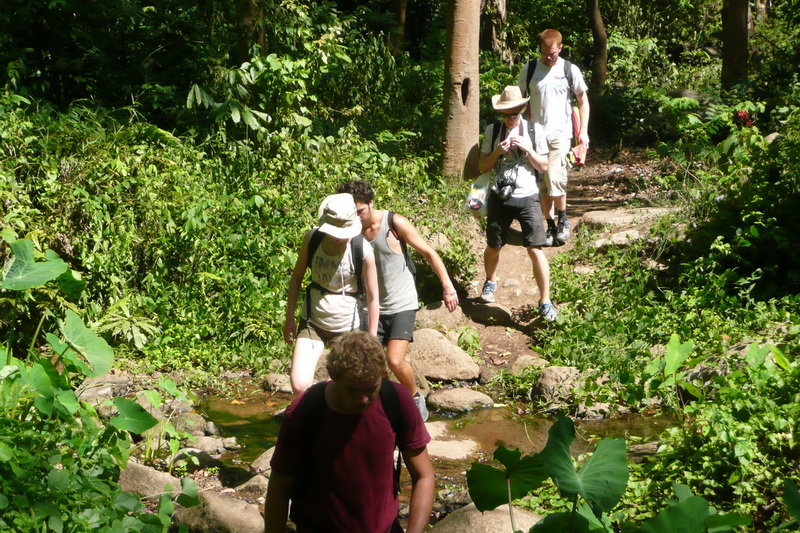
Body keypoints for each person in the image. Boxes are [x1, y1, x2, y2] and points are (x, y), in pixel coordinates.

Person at [265, 330, 435, 533]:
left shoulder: (396, 400)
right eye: (353, 390)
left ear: (382, 375)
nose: (364, 399)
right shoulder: (305, 410)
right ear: (332, 374)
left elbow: (424, 476)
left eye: (371, 388)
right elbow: (280, 485)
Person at [337, 180, 458, 421]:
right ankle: (385, 404)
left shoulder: (394, 223)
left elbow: (428, 252)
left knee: (393, 359)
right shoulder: (349, 230)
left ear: (371, 203)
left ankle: (414, 398)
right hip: (370, 307)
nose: (358, 217)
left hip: (402, 302)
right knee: (371, 363)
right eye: (353, 213)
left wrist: (447, 286)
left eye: (361, 210)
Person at [283, 193, 380, 395]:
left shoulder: (362, 249)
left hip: (349, 328)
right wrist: (289, 319)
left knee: (347, 386)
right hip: (313, 321)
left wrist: (371, 339)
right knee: (300, 385)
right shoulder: (313, 239)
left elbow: (373, 297)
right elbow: (296, 278)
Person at [478, 85, 558, 323]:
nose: (509, 118)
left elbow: (543, 167)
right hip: (498, 196)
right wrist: (497, 152)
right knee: (494, 245)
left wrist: (528, 149)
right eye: (505, 114)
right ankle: (490, 282)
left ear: (522, 110)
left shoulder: (534, 131)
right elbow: (483, 167)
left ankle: (545, 301)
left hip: (528, 196)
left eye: (513, 113)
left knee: (535, 248)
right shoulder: (492, 131)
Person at [518, 28, 590, 246]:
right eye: (544, 53)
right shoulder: (529, 69)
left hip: (561, 133)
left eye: (553, 53)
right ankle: (549, 224)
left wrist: (583, 131)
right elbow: (520, 102)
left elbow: (583, 101)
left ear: (560, 48)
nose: (548, 57)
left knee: (555, 177)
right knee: (541, 183)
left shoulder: (570, 69)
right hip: (535, 135)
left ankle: (563, 219)